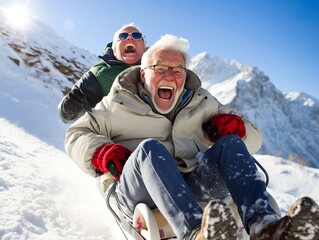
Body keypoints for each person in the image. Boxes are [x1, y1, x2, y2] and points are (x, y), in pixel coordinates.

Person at [65, 34, 319, 240]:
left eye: (178, 70)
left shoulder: (202, 102)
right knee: (149, 149)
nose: (170, 76)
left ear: (185, 76)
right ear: (143, 74)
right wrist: (101, 152)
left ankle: (264, 225)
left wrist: (238, 129)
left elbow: (253, 137)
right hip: (138, 189)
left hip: (193, 182)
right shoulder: (117, 103)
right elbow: (77, 134)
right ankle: (196, 233)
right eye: (161, 68)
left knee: (230, 144)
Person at [58, 23, 147, 123]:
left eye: (136, 35)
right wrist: (74, 101)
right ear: (114, 49)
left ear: (144, 47)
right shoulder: (99, 74)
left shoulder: (159, 68)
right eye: (123, 36)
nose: (130, 38)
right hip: (115, 134)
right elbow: (66, 116)